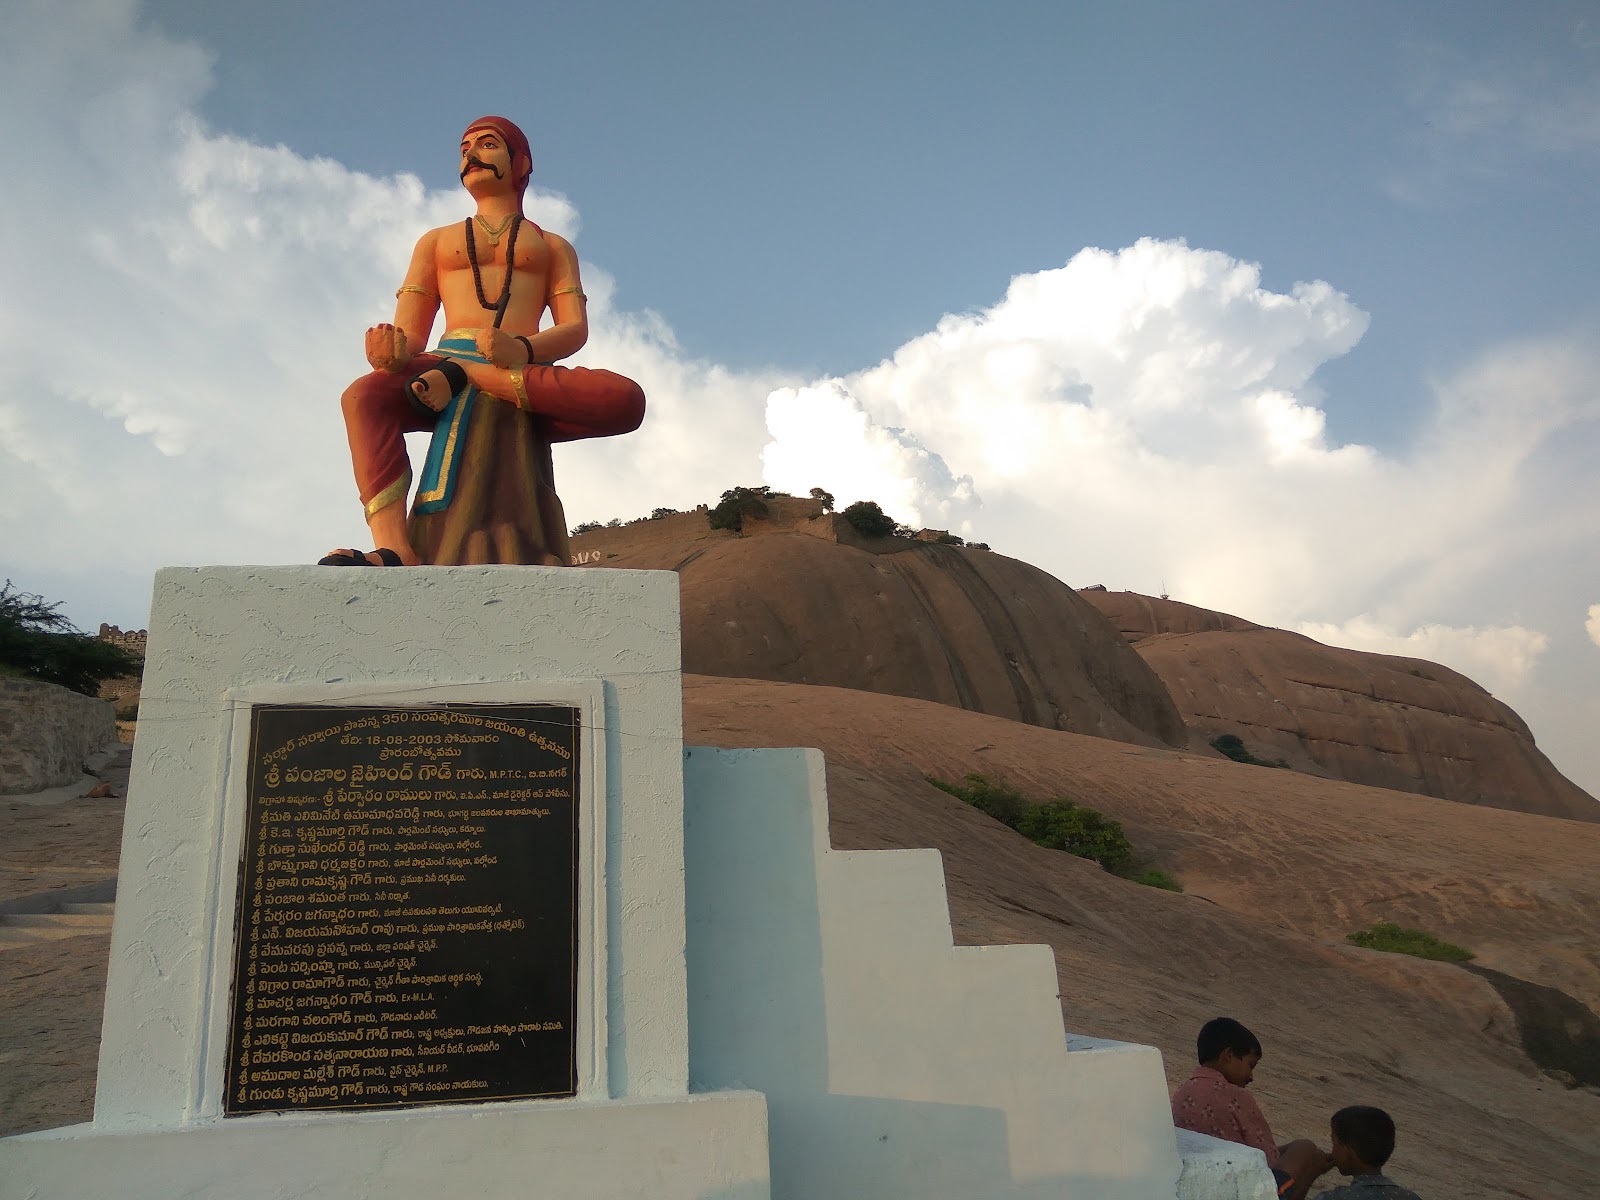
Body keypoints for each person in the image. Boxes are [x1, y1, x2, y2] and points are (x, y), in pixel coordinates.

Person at [322, 115, 644, 567]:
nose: (470, 153)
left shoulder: (553, 247)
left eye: (488, 144)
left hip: (518, 368)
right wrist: (393, 352)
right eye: (464, 147)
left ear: (521, 164)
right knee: (363, 396)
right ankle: (395, 547)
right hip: (441, 361)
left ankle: (471, 375)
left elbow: (574, 328)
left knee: (627, 399)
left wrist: (524, 350)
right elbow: (412, 334)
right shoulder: (435, 242)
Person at [1171, 1017, 1334, 1200]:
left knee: (1289, 1150)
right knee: (1304, 1147)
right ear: (1229, 1056)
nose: (1251, 1077)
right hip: (1240, 1187)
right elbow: (1269, 1158)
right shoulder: (1236, 1096)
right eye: (1250, 1065)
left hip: (1199, 1177)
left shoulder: (1183, 1091)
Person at [1312, 1107, 1421, 1199]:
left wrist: (1308, 1175)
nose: (1332, 1151)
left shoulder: (1337, 1197)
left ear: (1349, 1152)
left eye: (1334, 1144)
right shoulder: (1410, 1197)